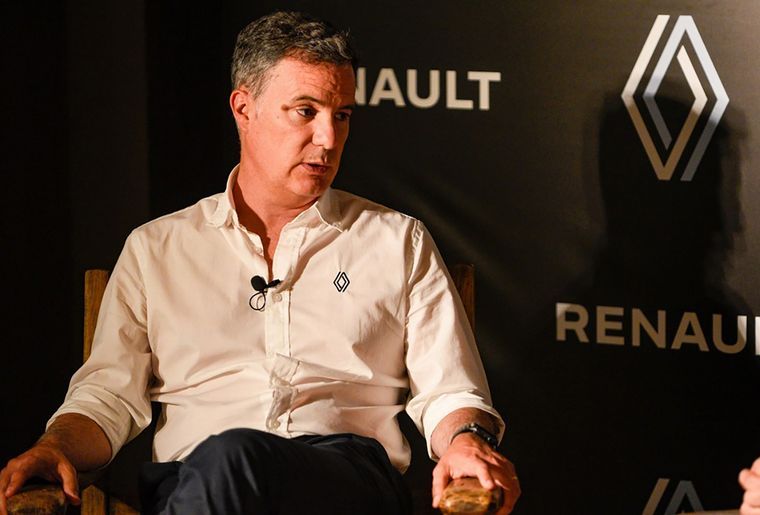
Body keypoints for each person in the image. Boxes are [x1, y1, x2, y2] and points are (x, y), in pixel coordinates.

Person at [0, 11, 519, 514]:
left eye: (341, 116)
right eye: (306, 111)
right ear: (244, 108)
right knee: (225, 462)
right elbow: (107, 398)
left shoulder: (396, 240)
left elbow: (450, 388)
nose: (328, 139)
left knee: (235, 456)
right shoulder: (156, 248)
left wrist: (466, 440)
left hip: (344, 479)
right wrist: (55, 447)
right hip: (192, 479)